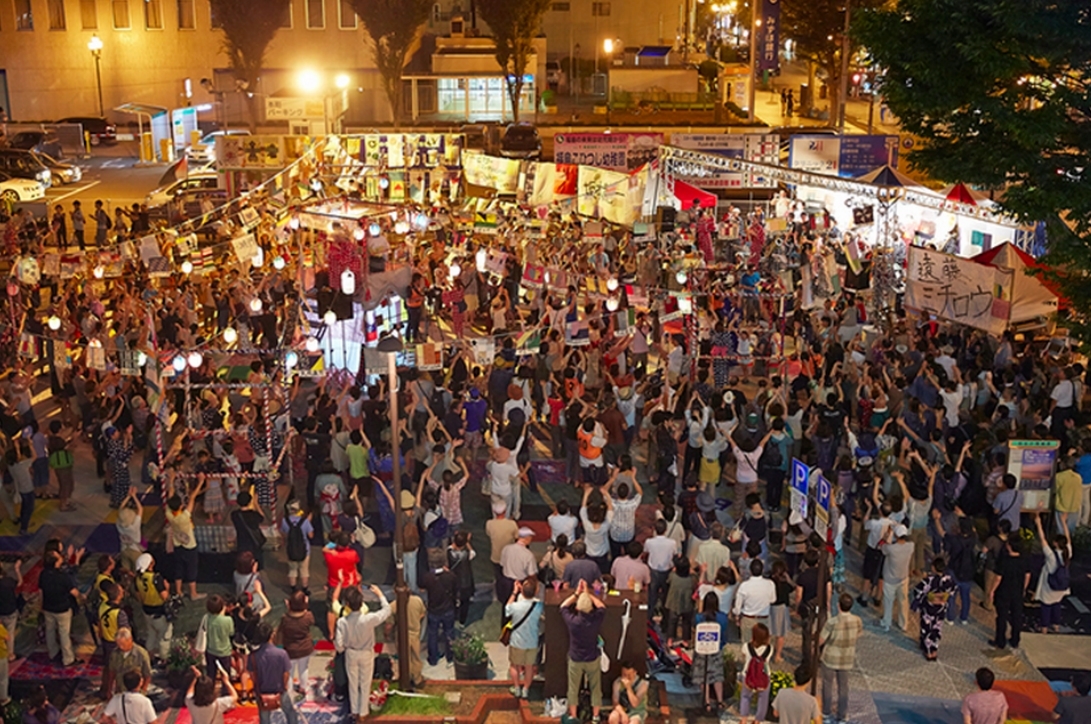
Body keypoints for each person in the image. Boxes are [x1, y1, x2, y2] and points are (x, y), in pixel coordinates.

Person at [335, 585, 391, 723]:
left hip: (351, 653)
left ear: (347, 604)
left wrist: (344, 649)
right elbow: (387, 610)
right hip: (366, 653)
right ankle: (363, 712)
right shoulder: (368, 619)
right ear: (361, 603)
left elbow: (338, 644)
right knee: (365, 683)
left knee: (353, 683)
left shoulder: (342, 622)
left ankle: (354, 710)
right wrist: (380, 594)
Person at [560, 579, 607, 720]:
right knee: (595, 688)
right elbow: (602, 607)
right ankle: (596, 716)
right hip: (592, 657)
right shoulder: (595, 619)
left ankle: (574, 716)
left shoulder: (573, 622)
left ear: (578, 608)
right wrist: (588, 593)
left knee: (573, 689)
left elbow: (563, 607)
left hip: (575, 658)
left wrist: (577, 594)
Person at [820, 593, 863, 724]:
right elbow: (859, 633)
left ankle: (826, 713)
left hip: (830, 657)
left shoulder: (832, 622)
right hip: (847, 658)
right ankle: (842, 716)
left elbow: (821, 639)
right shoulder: (857, 620)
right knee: (843, 687)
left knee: (827, 685)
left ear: (838, 606)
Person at [248, 622, 299, 724]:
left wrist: (256, 687)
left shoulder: (253, 656)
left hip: (262, 691)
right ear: (272, 635)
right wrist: (284, 686)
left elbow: (252, 675)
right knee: (290, 712)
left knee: (264, 717)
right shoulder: (282, 654)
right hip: (279, 689)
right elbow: (286, 673)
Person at [38, 551, 81, 667]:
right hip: (62, 609)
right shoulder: (62, 577)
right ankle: (68, 659)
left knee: (50, 631)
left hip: (48, 607)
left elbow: (41, 592)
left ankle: (53, 653)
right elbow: (74, 592)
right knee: (64, 634)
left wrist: (40, 606)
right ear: (56, 562)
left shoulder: (43, 574)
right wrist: (82, 597)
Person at [988, 535, 1030, 652]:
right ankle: (1015, 640)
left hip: (1004, 592)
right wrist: (1024, 588)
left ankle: (1000, 641)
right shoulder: (1024, 560)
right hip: (1017, 592)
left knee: (1002, 616)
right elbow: (1027, 575)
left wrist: (992, 591)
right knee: (1016, 616)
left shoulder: (1005, 561)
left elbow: (998, 578)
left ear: (1010, 547)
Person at [1033, 511, 1071, 633]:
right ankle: (1056, 625)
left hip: (1049, 585)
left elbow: (1042, 538)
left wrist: (1038, 523)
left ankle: (1044, 627)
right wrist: (1063, 522)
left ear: (1055, 544)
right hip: (1062, 586)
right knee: (1057, 604)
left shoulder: (1051, 555)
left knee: (1046, 606)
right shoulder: (1068, 552)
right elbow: (1068, 537)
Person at [504, 578, 543, 700]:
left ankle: (517, 688)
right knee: (529, 667)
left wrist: (514, 592)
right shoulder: (538, 606)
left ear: (522, 592)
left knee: (514, 665)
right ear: (536, 591)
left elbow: (507, 609)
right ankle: (526, 690)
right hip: (532, 642)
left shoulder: (515, 607)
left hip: (517, 641)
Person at [911, 556, 957, 661]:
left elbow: (918, 591)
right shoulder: (949, 579)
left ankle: (928, 652)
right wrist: (942, 597)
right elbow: (952, 590)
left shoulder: (929, 580)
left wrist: (929, 598)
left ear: (934, 568)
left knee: (927, 629)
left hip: (929, 608)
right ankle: (934, 650)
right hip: (941, 608)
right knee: (937, 629)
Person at [692, 592, 729, 715]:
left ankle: (707, 701)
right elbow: (724, 634)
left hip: (701, 649)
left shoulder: (699, 617)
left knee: (703, 676)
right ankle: (719, 701)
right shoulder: (723, 617)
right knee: (717, 675)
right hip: (716, 649)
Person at [420, 549, 458, 667]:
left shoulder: (427, 577)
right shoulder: (451, 576)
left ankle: (433, 658)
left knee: (432, 634)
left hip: (433, 609)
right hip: (448, 608)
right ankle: (450, 657)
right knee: (449, 632)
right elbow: (455, 590)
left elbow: (422, 587)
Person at [166, 490, 205, 601]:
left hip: (178, 546)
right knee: (191, 569)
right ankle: (193, 593)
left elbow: (170, 501)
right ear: (181, 505)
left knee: (179, 568)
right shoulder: (184, 517)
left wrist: (171, 482)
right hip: (190, 547)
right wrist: (200, 482)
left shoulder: (169, 515)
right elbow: (192, 498)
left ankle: (179, 591)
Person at [134, 553, 172, 663]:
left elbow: (139, 598)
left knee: (150, 634)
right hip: (159, 612)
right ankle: (164, 660)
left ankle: (150, 657)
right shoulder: (156, 578)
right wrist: (167, 588)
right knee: (164, 636)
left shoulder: (137, 579)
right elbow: (165, 597)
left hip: (146, 611)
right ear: (151, 564)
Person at [733, 558, 776, 646]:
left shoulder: (744, 585)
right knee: (763, 646)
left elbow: (738, 607)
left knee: (747, 646)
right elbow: (773, 600)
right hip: (764, 618)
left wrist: (736, 615)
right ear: (762, 570)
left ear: (750, 570)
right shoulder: (770, 584)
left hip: (748, 618)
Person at [881, 524, 914, 633]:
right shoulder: (910, 546)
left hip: (890, 578)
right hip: (903, 578)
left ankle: (887, 622)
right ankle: (903, 624)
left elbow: (883, 548)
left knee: (888, 601)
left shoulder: (891, 548)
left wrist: (887, 534)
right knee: (903, 601)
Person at [738, 622, 772, 724]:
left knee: (745, 696)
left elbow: (743, 657)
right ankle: (757, 721)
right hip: (764, 676)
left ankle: (743, 720)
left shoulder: (746, 646)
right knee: (763, 699)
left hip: (748, 675)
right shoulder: (770, 649)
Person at [104, 628, 151, 699]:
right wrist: (109, 689)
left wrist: (143, 692)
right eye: (118, 644)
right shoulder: (115, 654)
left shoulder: (141, 654)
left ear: (130, 640)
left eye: (122, 644)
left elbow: (147, 675)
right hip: (120, 691)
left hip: (136, 693)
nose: (120, 646)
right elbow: (112, 672)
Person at [498, 527, 538, 606]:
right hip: (520, 584)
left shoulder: (506, 548)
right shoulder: (528, 555)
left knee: (506, 606)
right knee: (519, 607)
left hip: (506, 582)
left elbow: (502, 564)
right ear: (527, 538)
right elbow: (532, 574)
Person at [203, 594, 235, 679]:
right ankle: (225, 691)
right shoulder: (228, 620)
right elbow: (231, 632)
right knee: (225, 676)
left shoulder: (207, 618)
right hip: (224, 652)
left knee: (211, 674)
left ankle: (209, 690)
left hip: (210, 650)